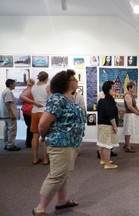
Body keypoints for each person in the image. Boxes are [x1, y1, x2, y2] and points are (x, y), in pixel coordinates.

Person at [32, 69, 85, 216]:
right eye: (73, 79)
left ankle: (62, 201)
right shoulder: (57, 99)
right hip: (60, 143)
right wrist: (43, 136)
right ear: (66, 82)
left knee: (64, 174)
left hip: (71, 143)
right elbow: (43, 124)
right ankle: (40, 208)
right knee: (56, 175)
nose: (76, 81)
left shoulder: (71, 98)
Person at [97, 80, 119, 169]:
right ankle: (107, 164)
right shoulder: (109, 101)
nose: (115, 89)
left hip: (101, 125)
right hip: (107, 125)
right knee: (107, 145)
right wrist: (115, 126)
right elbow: (111, 115)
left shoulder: (101, 100)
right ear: (109, 89)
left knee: (102, 143)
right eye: (113, 88)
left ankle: (103, 160)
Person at [29, 71, 50, 164]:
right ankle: (45, 159)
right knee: (44, 136)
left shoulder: (33, 87)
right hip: (44, 112)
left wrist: (34, 103)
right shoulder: (47, 87)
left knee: (35, 136)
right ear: (46, 78)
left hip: (34, 112)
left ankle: (35, 158)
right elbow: (51, 98)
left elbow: (22, 96)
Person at [0, 79, 21, 151]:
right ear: (11, 84)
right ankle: (10, 145)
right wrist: (11, 114)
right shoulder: (8, 92)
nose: (15, 85)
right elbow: (7, 103)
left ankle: (6, 144)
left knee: (6, 129)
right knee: (12, 130)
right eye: (14, 84)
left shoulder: (5, 91)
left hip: (5, 114)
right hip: (9, 115)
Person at [20, 78, 38, 148]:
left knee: (28, 126)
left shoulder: (24, 91)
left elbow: (22, 100)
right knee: (33, 127)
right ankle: (30, 142)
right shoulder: (34, 91)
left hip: (25, 110)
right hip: (32, 110)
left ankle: (28, 142)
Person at [123, 81, 139, 153]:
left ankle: (127, 144)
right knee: (128, 131)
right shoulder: (127, 95)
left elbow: (134, 105)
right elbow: (130, 106)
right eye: (133, 88)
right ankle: (128, 147)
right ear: (129, 88)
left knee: (128, 130)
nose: (134, 89)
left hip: (131, 115)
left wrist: (138, 111)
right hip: (129, 115)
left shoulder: (131, 95)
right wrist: (137, 112)